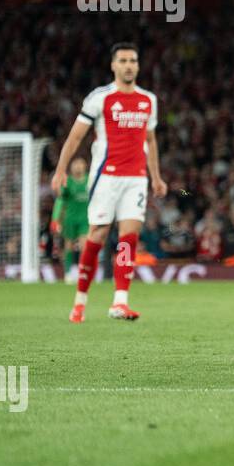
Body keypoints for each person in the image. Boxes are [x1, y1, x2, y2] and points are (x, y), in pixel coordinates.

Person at [49, 42, 166, 322]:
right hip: (106, 178)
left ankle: (120, 302)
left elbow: (150, 140)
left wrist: (156, 177)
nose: (128, 65)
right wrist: (61, 169)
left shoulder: (148, 100)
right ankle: (80, 301)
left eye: (133, 61)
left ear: (138, 66)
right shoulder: (100, 98)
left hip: (135, 178)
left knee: (129, 238)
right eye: (123, 60)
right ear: (113, 65)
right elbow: (76, 137)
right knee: (98, 236)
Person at [51, 155, 90, 284]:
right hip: (70, 219)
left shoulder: (90, 180)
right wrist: (55, 219)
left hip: (85, 219)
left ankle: (82, 272)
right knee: (68, 246)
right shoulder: (68, 182)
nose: (78, 166)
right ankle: (67, 273)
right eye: (75, 164)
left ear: (85, 166)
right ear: (71, 168)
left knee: (85, 246)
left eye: (80, 163)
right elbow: (60, 200)